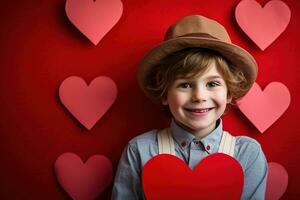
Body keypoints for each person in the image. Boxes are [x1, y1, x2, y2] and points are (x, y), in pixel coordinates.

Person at [111, 15, 268, 200]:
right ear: (164, 93)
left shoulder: (247, 154)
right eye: (185, 85)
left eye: (212, 84)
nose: (200, 96)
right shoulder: (139, 150)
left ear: (228, 94)